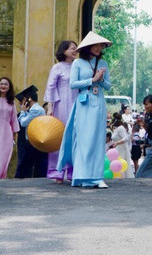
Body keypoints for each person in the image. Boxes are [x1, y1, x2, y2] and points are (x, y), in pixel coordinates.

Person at [57, 31, 112, 188]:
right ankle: (81, 175)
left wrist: (100, 80)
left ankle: (97, 177)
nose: (98, 48)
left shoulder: (103, 64)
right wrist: (91, 80)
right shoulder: (78, 63)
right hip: (83, 103)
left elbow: (108, 85)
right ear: (88, 47)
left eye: (100, 46)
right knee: (84, 139)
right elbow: (73, 84)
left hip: (99, 102)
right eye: (95, 45)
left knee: (97, 139)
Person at [44, 40, 78, 183]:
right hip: (61, 106)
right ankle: (56, 171)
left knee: (74, 137)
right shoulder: (57, 67)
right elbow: (50, 87)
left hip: (76, 105)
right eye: (72, 48)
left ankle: (72, 171)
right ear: (64, 51)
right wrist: (50, 108)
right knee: (59, 137)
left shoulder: (78, 66)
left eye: (76, 48)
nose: (75, 51)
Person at [15, 87, 48, 178]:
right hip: (33, 140)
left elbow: (23, 122)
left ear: (29, 99)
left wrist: (22, 111)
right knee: (35, 164)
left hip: (34, 140)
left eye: (24, 99)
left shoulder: (35, 110)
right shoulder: (35, 109)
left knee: (26, 165)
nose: (23, 102)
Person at [110, 112, 133, 178]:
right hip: (117, 149)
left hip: (121, 149)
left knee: (121, 163)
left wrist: (116, 143)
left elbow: (126, 138)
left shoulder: (120, 128)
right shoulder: (117, 129)